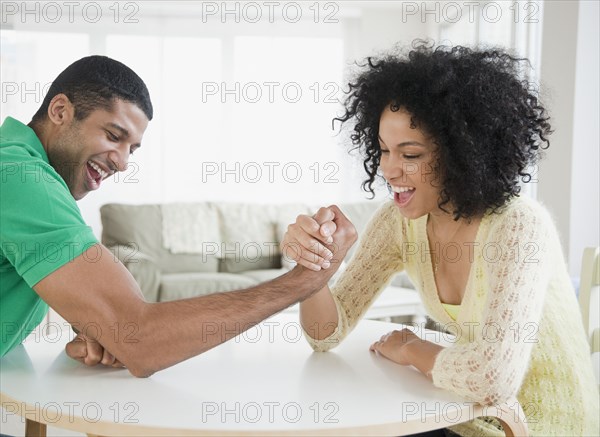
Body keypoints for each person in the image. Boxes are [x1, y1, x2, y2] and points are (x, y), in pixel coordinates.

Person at [282, 42, 600, 436]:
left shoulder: (519, 225)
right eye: (382, 150)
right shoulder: (399, 223)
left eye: (410, 154)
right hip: (464, 415)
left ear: (462, 153)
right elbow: (326, 336)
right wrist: (314, 266)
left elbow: (493, 378)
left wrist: (414, 349)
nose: (389, 169)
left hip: (538, 426)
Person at [0, 55, 357, 377]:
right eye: (113, 135)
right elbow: (140, 338)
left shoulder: (25, 169)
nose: (123, 163)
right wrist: (303, 282)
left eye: (132, 149)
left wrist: (100, 324)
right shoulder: (22, 179)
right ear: (60, 111)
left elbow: (121, 322)